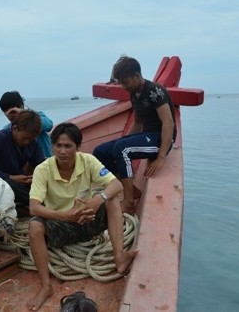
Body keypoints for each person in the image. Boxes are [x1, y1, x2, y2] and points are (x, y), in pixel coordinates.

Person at [26, 122, 139, 311]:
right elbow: (34, 208)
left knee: (110, 199)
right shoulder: (42, 169)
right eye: (58, 146)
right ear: (52, 147)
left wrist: (97, 200)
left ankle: (119, 258)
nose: (62, 151)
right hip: (62, 225)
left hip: (88, 220)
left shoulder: (88, 161)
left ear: (78, 148)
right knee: (35, 226)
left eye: (68, 146)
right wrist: (65, 216)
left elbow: (116, 186)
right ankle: (46, 286)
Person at [93, 56, 176, 214]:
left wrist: (161, 158)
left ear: (137, 76)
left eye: (125, 82)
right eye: (121, 82)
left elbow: (168, 123)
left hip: (160, 139)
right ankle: (133, 189)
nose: (124, 86)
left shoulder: (154, 91)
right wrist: (124, 140)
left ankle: (129, 201)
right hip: (147, 135)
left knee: (121, 149)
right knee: (100, 151)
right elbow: (138, 123)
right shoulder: (134, 93)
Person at [0, 109, 45, 217]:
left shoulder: (32, 142)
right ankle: (38, 208)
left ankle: (26, 208)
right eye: (24, 138)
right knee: (10, 185)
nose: (27, 142)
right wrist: (10, 177)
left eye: (30, 139)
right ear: (15, 128)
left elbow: (41, 165)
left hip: (19, 181)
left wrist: (37, 178)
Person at [0, 90, 53, 158]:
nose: (11, 114)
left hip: (44, 161)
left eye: (14, 111)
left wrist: (23, 113)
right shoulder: (7, 129)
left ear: (21, 106)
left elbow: (49, 126)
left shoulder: (36, 117)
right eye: (6, 111)